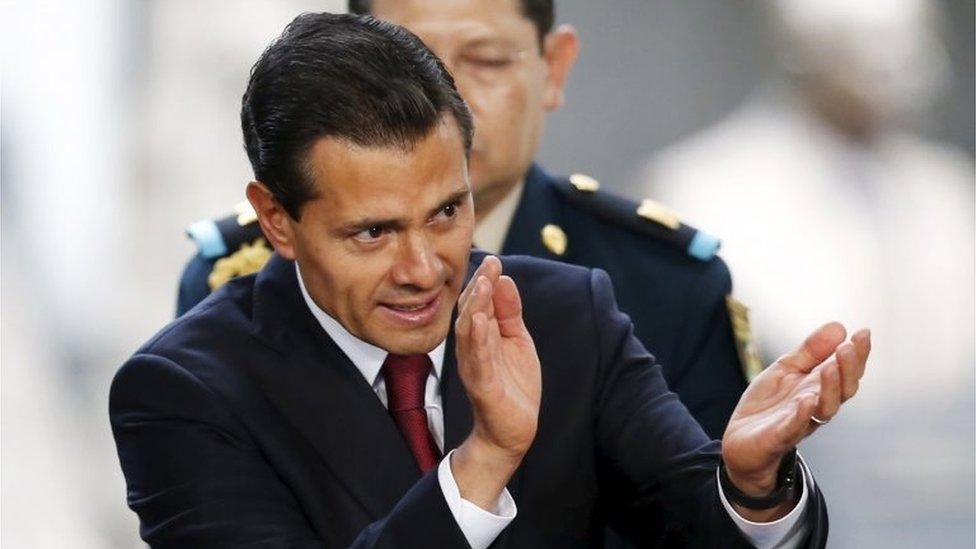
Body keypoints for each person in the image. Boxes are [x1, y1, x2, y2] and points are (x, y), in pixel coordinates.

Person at [111, 13, 872, 548]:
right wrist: (483, 462)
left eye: (447, 212)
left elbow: (705, 532)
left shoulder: (567, 314)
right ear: (276, 220)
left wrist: (750, 485)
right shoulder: (182, 391)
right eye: (373, 232)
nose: (424, 268)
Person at [176, 0, 754, 442]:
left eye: (486, 61)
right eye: (404, 63)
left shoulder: (665, 284)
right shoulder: (235, 275)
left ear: (554, 67)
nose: (444, 98)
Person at [637, 0, 973, 544]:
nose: (906, 63)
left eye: (917, 37)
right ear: (804, 47)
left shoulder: (950, 192)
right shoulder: (700, 189)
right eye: (870, 42)